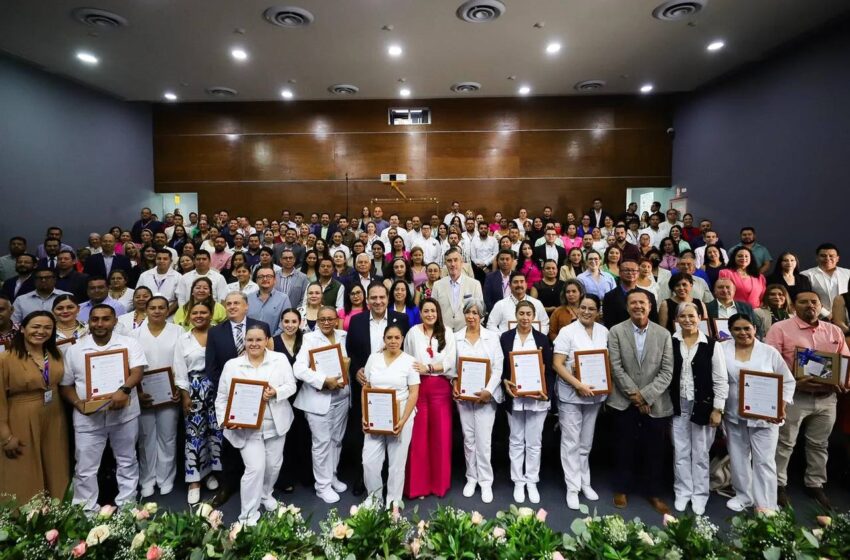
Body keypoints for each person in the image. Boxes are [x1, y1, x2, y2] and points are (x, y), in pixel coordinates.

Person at [765, 290, 850, 510]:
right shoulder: (780, 328)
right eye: (803, 302)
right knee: (785, 443)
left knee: (819, 444)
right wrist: (793, 382)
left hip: (827, 398)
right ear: (794, 306)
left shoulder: (833, 331)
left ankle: (815, 483)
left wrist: (844, 381)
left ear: (820, 306)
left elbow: (845, 362)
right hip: (793, 397)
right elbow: (768, 364)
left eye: (814, 302)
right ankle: (778, 484)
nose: (809, 305)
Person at [59, 305, 147, 511]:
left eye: (105, 319)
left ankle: (127, 505)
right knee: (85, 468)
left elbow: (137, 371)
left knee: (127, 460)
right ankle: (86, 510)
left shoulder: (129, 344)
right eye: (95, 319)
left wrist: (124, 389)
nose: (100, 324)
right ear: (88, 321)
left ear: (115, 321)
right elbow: (65, 385)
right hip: (88, 417)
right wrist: (78, 403)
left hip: (124, 414)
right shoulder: (75, 349)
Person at [215, 324, 296, 524]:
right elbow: (222, 398)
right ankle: (248, 515)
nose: (254, 344)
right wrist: (225, 420)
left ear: (267, 340)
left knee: (273, 466)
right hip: (246, 429)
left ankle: (266, 495)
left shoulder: (280, 359)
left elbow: (291, 385)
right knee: (255, 468)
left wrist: (276, 392)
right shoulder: (232, 365)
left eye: (259, 339)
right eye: (250, 340)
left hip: (276, 424)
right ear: (244, 341)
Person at [607, 289, 674, 514]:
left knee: (655, 449)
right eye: (633, 303)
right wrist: (635, 395)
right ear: (627, 308)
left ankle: (653, 492)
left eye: (642, 303)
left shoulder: (664, 334)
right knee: (623, 446)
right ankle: (621, 489)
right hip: (623, 400)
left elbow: (667, 371)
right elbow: (615, 367)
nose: (638, 306)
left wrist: (646, 396)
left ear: (650, 306)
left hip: (655, 403)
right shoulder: (616, 331)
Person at [722, 313, 795, 512]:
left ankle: (766, 504)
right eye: (737, 329)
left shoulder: (769, 352)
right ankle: (744, 496)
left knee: (764, 460)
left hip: (764, 416)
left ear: (755, 329)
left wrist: (782, 405)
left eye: (747, 328)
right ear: (730, 331)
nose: (743, 332)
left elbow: (788, 381)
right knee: (738, 457)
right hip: (734, 413)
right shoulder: (721, 349)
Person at [204, 292, 271, 507]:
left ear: (246, 306)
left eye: (236, 303)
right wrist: (231, 393)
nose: (232, 306)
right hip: (232, 400)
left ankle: (264, 489)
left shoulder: (260, 326)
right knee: (230, 446)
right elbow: (211, 368)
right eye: (228, 303)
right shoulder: (215, 332)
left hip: (262, 399)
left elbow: (270, 358)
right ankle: (228, 486)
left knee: (262, 449)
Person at [345, 282, 409, 495]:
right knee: (362, 434)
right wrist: (355, 371)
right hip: (366, 387)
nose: (378, 301)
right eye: (373, 297)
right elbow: (351, 353)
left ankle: (389, 483)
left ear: (388, 299)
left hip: (394, 389)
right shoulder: (356, 321)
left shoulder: (401, 319)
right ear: (367, 300)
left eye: (382, 297)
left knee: (393, 439)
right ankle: (363, 478)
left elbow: (406, 353)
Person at [0, 311, 69, 501]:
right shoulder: (6, 359)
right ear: (22, 329)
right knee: (24, 468)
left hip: (54, 415)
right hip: (20, 418)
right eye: (35, 327)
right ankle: (26, 519)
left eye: (47, 327)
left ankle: (56, 513)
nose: (41, 331)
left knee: (55, 464)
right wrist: (5, 436)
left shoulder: (55, 354)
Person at [669, 301, 728, 515]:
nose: (687, 320)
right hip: (678, 405)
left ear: (700, 318)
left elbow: (721, 380)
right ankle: (683, 491)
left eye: (691, 316)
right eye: (683, 316)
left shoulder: (713, 345)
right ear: (676, 320)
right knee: (681, 451)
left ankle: (700, 495)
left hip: (703, 406)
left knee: (701, 453)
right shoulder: (671, 341)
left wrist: (718, 409)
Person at [552, 294, 608, 510]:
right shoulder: (567, 332)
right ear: (577, 310)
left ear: (597, 311)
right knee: (570, 442)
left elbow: (606, 362)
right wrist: (578, 384)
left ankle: (585, 482)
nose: (586, 311)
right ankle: (572, 487)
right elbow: (557, 364)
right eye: (583, 307)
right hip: (571, 395)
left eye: (591, 308)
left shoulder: (604, 332)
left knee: (585, 442)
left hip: (594, 395)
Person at [292, 307, 349, 503]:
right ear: (317, 321)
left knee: (336, 440)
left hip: (341, 397)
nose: (326, 322)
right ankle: (322, 486)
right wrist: (323, 379)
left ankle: (332, 476)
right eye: (322, 319)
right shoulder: (310, 339)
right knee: (322, 443)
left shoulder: (344, 336)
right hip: (318, 399)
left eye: (330, 319)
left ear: (336, 320)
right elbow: (298, 368)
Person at [359, 324, 420, 509]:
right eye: (389, 338)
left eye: (397, 338)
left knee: (396, 464)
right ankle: (374, 500)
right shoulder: (373, 358)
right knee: (369, 461)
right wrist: (364, 415)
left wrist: (402, 421)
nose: (393, 341)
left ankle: (393, 502)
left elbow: (414, 393)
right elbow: (366, 387)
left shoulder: (410, 361)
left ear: (402, 339)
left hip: (401, 415)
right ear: (384, 339)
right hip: (375, 416)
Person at [500, 300, 554, 504]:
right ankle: (518, 481)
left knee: (534, 442)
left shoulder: (541, 338)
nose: (524, 317)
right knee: (515, 439)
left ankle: (531, 480)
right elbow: (502, 367)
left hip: (537, 399)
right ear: (516, 315)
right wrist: (504, 381)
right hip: (514, 398)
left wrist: (545, 393)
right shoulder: (505, 338)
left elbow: (548, 370)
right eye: (521, 313)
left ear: (534, 316)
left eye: (528, 314)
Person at [404, 298, 457, 499]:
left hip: (440, 387)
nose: (429, 314)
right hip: (418, 387)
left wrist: (430, 368)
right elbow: (407, 359)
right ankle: (418, 486)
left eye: (433, 310)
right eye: (425, 311)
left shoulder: (448, 332)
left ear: (438, 312)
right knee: (417, 437)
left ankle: (439, 485)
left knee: (440, 437)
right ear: (421, 313)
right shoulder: (413, 333)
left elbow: (451, 361)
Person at [452, 299, 503, 503]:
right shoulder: (455, 338)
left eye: (475, 312)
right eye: (468, 312)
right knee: (469, 439)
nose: (471, 316)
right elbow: (452, 367)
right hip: (463, 399)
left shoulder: (492, 337)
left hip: (485, 399)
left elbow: (498, 367)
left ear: (482, 316)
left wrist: (489, 390)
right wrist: (455, 384)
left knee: (484, 441)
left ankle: (485, 481)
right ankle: (471, 478)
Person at [132, 296, 183, 497]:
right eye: (152, 307)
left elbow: (180, 362)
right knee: (145, 439)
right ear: (146, 310)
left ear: (167, 310)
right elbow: (130, 366)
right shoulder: (134, 335)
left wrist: (179, 387)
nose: (157, 311)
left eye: (162, 307)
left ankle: (165, 478)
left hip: (169, 394)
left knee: (168, 437)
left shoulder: (178, 331)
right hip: (143, 393)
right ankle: (147, 479)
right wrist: (137, 391)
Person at [172, 300, 220, 504]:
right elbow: (179, 368)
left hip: (217, 388)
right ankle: (194, 481)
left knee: (216, 432)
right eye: (195, 313)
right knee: (195, 434)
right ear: (189, 316)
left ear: (211, 314)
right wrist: (184, 395)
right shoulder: (183, 339)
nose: (199, 316)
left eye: (203, 312)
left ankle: (211, 473)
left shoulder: (218, 334)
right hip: (194, 388)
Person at [431, 249, 484, 332]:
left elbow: (480, 312)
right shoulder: (437, 285)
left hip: (467, 332)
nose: (452, 264)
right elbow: (433, 311)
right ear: (445, 264)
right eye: (449, 261)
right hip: (444, 332)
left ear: (462, 262)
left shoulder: (475, 284)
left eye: (455, 260)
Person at [601, 259, 658, 329]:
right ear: (619, 273)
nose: (630, 273)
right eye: (626, 270)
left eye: (633, 270)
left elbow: (654, 321)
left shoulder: (649, 296)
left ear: (638, 273)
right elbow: (608, 323)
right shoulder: (609, 296)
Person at [801, 243, 850, 320]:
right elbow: (805, 298)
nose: (827, 258)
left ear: (837, 258)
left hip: (847, 318)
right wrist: (827, 314)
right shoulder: (806, 275)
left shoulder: (848, 273)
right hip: (819, 318)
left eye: (831, 256)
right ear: (817, 258)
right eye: (823, 256)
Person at [248, 268, 292, 336]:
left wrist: (272, 340)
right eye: (261, 277)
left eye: (269, 276)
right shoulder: (248, 298)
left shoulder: (283, 299)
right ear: (256, 280)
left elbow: (285, 323)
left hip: (273, 342)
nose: (265, 279)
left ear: (274, 280)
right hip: (250, 342)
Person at [136, 249, 181, 314]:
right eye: (159, 258)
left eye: (165, 259)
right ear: (155, 260)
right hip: (146, 312)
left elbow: (178, 300)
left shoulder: (178, 277)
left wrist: (166, 313)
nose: (161, 261)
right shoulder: (144, 275)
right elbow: (138, 295)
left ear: (170, 261)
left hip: (169, 313)